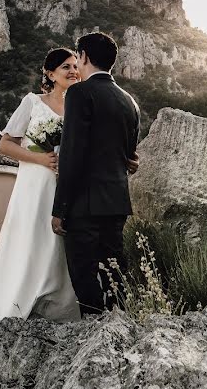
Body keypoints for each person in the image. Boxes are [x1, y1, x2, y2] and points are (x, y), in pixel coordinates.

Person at [0, 49, 83, 327]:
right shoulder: (32, 102)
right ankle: (18, 300)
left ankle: (58, 305)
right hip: (35, 182)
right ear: (50, 74)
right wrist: (41, 158)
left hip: (66, 184)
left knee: (58, 241)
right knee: (32, 237)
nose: (73, 70)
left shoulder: (80, 105)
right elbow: (5, 144)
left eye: (75, 66)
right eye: (65, 66)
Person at [51, 32, 141, 315]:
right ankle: (120, 328)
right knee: (115, 273)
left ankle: (94, 333)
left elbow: (72, 153)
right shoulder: (129, 101)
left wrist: (60, 208)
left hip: (85, 203)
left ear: (84, 57)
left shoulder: (80, 92)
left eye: (77, 57)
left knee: (84, 274)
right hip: (116, 201)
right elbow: (129, 155)